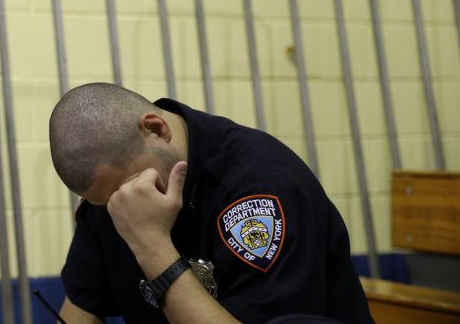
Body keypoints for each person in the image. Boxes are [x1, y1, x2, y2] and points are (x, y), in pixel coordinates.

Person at [49, 83, 373, 324]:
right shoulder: (111, 196)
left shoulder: (261, 185)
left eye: (134, 186)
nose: (126, 205)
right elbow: (81, 306)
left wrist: (152, 245)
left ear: (156, 129)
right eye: (108, 203)